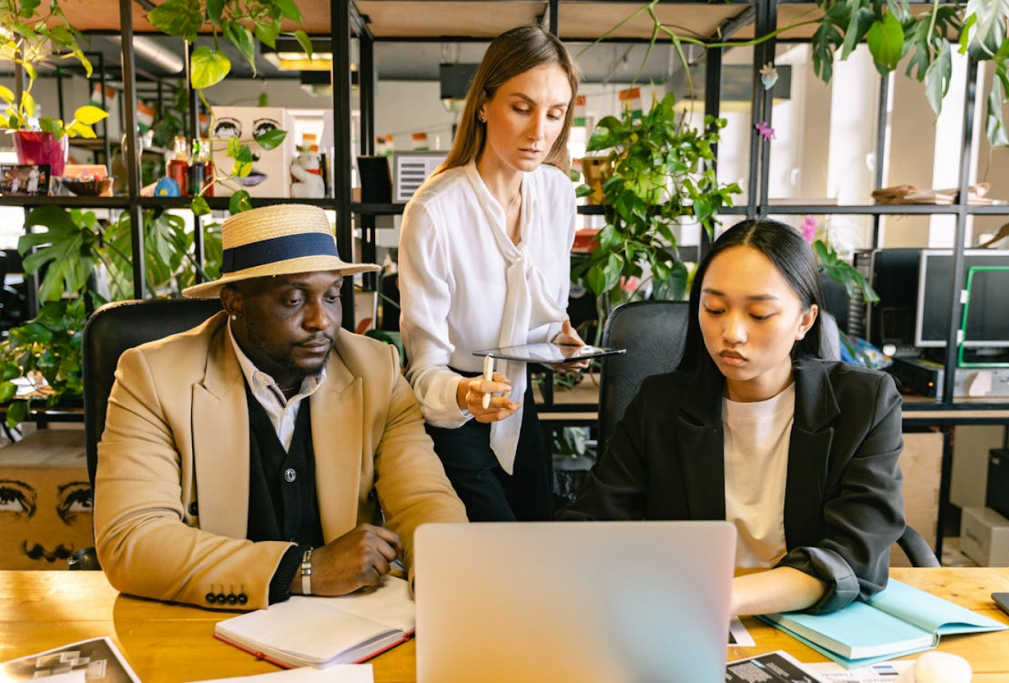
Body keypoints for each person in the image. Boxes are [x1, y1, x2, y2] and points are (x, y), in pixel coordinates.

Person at [94, 204, 467, 610]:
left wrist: (445, 576)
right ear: (234, 302)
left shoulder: (377, 370)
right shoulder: (152, 377)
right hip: (206, 625)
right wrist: (302, 570)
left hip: (351, 628)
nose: (320, 320)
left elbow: (423, 500)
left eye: (332, 296)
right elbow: (132, 538)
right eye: (293, 299)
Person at [560, 219, 906, 616]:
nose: (732, 332)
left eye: (759, 314)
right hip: (682, 614)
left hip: (807, 618)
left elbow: (854, 554)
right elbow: (591, 524)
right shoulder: (661, 404)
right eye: (715, 309)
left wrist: (725, 599)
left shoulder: (864, 404)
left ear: (804, 321)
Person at [398, 25, 584, 522]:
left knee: (538, 541)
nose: (539, 131)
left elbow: (546, 313)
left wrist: (558, 346)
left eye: (554, 113)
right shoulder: (434, 212)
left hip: (518, 405)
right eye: (521, 108)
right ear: (483, 104)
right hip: (454, 414)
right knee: (492, 549)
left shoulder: (559, 194)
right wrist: (464, 394)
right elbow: (423, 367)